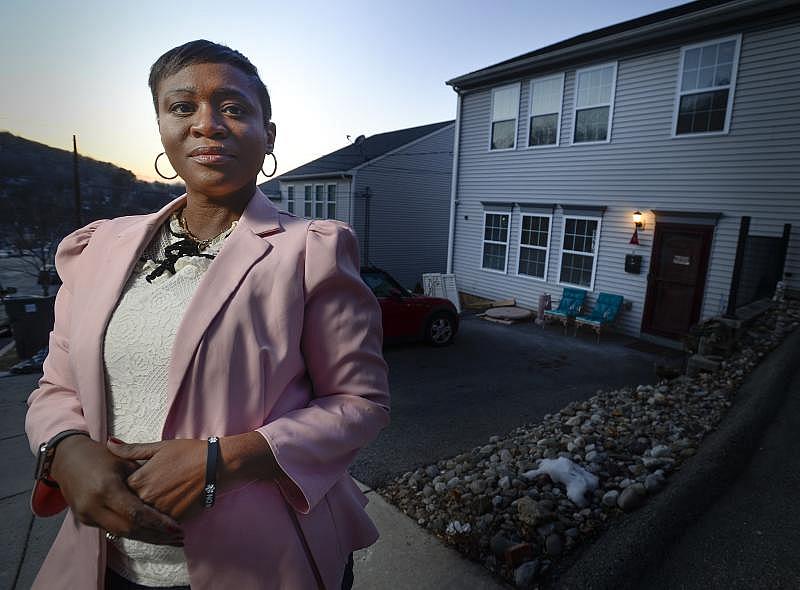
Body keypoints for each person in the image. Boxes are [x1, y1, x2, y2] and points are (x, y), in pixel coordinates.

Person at [25, 39, 390, 590]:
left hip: (265, 559)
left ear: (268, 135)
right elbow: (56, 387)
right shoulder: (96, 249)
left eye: (234, 108)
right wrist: (66, 449)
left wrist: (226, 459)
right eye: (181, 107)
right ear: (162, 129)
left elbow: (359, 403)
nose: (207, 124)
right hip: (110, 562)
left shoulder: (311, 250)